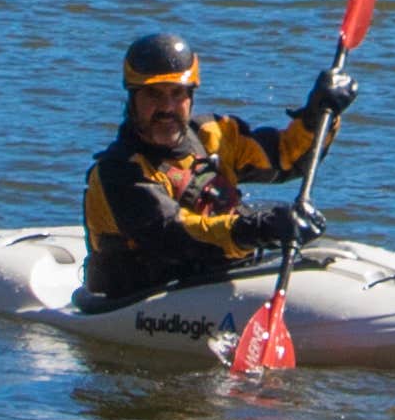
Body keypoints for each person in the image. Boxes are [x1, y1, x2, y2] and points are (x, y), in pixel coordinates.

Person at [76, 28, 356, 310]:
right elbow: (173, 234)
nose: (167, 108)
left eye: (177, 94)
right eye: (153, 95)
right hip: (137, 299)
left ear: (191, 96)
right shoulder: (118, 172)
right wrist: (256, 228)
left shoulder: (214, 135)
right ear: (132, 99)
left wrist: (319, 115)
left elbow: (286, 157)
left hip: (211, 280)